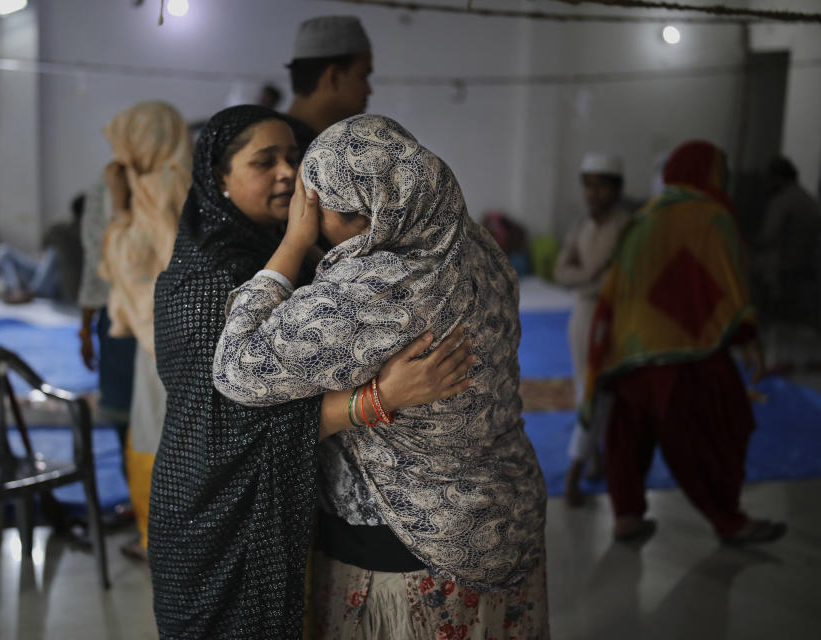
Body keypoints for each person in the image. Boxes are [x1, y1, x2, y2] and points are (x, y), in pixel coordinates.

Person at [214, 114, 549, 638]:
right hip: (508, 512)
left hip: (412, 549)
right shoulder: (475, 244)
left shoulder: (374, 291)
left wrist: (294, 244)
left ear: (346, 211)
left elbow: (236, 368)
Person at [148, 105, 473, 638]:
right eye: (263, 161)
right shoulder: (208, 278)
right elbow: (229, 427)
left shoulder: (306, 258)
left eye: (293, 158)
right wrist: (377, 399)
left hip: (276, 509)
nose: (285, 173)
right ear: (218, 179)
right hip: (213, 517)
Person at [582, 140, 787, 545]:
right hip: (686, 349)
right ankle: (730, 521)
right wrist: (748, 340)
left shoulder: (644, 216)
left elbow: (617, 286)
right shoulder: (713, 216)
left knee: (628, 435)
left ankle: (626, 516)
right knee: (710, 434)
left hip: (629, 348)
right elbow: (730, 286)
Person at [99, 101, 193, 561]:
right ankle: (161, 535)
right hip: (153, 335)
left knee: (160, 436)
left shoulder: (164, 187)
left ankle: (165, 539)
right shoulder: (158, 184)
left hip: (166, 338)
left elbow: (140, 261)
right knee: (152, 432)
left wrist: (118, 206)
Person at [554, 152, 632, 506]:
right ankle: (590, 458)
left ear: (616, 190)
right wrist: (592, 277)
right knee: (586, 387)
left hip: (617, 317)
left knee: (605, 391)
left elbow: (627, 279)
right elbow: (561, 271)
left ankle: (584, 463)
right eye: (588, 186)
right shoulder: (581, 227)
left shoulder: (628, 227)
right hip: (585, 316)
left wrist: (593, 280)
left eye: (601, 186)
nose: (593, 194)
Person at [77, 178, 137, 478]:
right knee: (125, 414)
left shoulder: (174, 181)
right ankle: (140, 502)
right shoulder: (103, 189)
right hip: (119, 322)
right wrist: (85, 329)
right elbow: (95, 264)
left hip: (161, 318)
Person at [284, 15, 373, 151]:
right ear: (333, 77)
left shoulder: (280, 139)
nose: (369, 90)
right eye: (362, 76)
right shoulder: (290, 152)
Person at [754, 155, 821, 323]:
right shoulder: (809, 200)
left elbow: (768, 237)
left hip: (780, 272)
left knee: (775, 322)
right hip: (805, 271)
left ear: (777, 178)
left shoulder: (782, 201)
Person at [0, 195, 85, 304]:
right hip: (43, 277)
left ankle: (31, 292)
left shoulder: (91, 234)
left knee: (55, 253)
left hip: (59, 287)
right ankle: (15, 290)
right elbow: (45, 244)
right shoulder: (63, 229)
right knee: (3, 251)